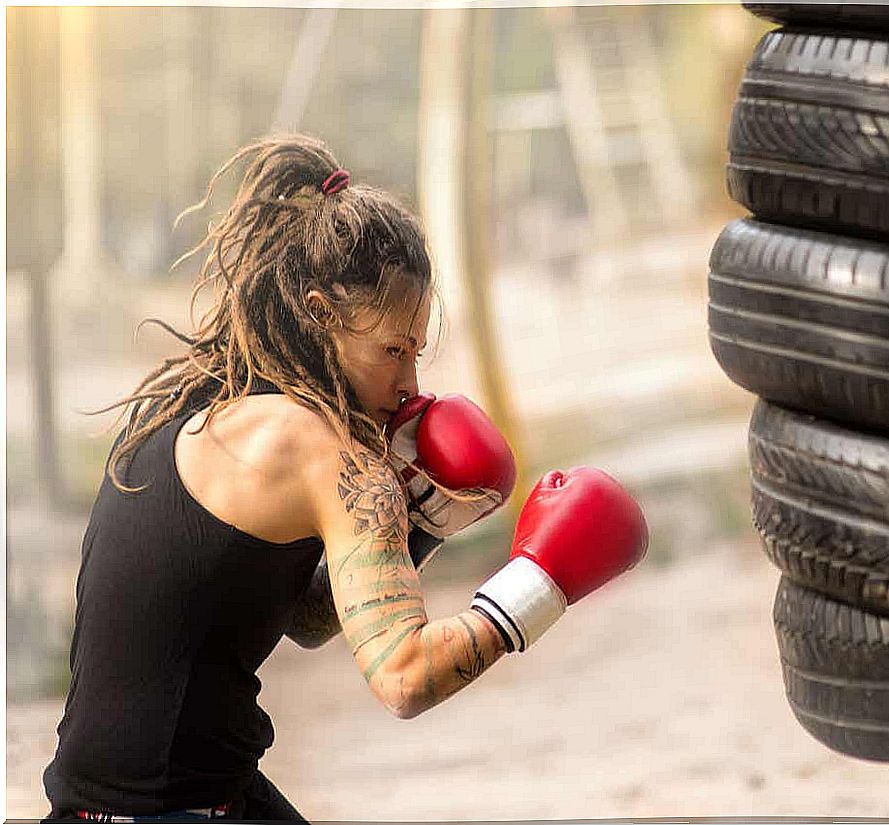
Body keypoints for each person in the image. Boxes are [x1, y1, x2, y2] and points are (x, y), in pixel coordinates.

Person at [41, 135, 649, 822]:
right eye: (392, 349)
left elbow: (300, 618)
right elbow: (405, 676)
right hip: (171, 809)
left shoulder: (190, 398)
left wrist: (419, 525)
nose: (410, 382)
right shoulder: (320, 447)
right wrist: (543, 581)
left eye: (416, 351)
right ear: (320, 313)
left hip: (114, 801)